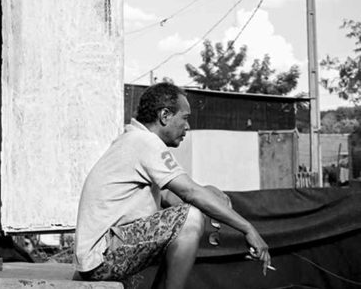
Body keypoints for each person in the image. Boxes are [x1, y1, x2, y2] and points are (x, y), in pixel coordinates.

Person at [74, 82, 271, 288]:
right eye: (185, 118)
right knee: (190, 218)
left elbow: (172, 197)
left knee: (188, 216)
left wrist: (210, 195)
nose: (188, 126)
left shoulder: (133, 140)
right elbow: (189, 193)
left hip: (100, 256)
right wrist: (247, 228)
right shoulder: (145, 142)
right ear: (165, 115)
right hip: (102, 257)